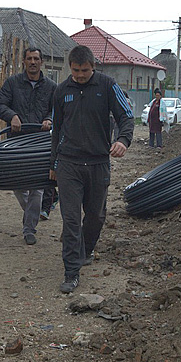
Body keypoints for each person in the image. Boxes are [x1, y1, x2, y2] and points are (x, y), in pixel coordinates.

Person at [50, 45, 134, 293]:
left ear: (93, 66)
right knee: (71, 219)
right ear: (70, 68)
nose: (79, 75)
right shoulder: (62, 90)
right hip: (69, 164)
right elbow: (56, 130)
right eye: (75, 71)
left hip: (98, 163)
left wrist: (123, 140)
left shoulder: (107, 86)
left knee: (96, 216)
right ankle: (71, 272)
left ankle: (86, 248)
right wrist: (53, 164)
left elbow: (126, 117)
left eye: (84, 70)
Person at [0, 47, 57, 245]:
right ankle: (32, 213)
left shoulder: (51, 86)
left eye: (36, 58)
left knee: (37, 188)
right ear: (23, 61)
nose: (33, 62)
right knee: (18, 184)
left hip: (39, 142)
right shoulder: (12, 83)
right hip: (16, 141)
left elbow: (58, 109)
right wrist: (11, 116)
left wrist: (49, 119)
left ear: (41, 62)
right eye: (29, 58)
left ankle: (30, 229)